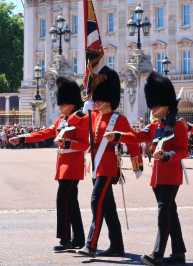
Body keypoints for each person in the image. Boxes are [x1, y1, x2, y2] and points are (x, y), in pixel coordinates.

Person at [105, 71, 188, 265]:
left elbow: (183, 151)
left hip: (171, 176)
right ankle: (179, 252)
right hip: (158, 179)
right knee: (170, 213)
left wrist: (167, 155)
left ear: (166, 104)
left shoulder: (179, 125)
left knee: (163, 214)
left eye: (156, 105)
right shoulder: (155, 126)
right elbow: (136, 136)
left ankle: (158, 254)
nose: (153, 109)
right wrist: (119, 135)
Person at [69, 66, 141, 257]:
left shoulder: (118, 118)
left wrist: (136, 164)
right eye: (96, 98)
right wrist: (81, 112)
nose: (96, 101)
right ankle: (117, 246)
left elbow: (133, 139)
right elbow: (73, 125)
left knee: (96, 202)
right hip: (96, 166)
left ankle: (90, 244)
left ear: (109, 99)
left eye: (99, 98)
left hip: (108, 167)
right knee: (107, 207)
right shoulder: (94, 117)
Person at [9, 77, 87, 251]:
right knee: (71, 203)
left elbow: (84, 144)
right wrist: (22, 138)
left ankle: (65, 239)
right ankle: (79, 239)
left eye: (62, 103)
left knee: (62, 201)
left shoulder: (81, 118)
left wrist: (68, 144)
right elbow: (45, 133)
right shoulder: (61, 119)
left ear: (72, 103)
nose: (59, 106)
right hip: (63, 167)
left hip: (73, 167)